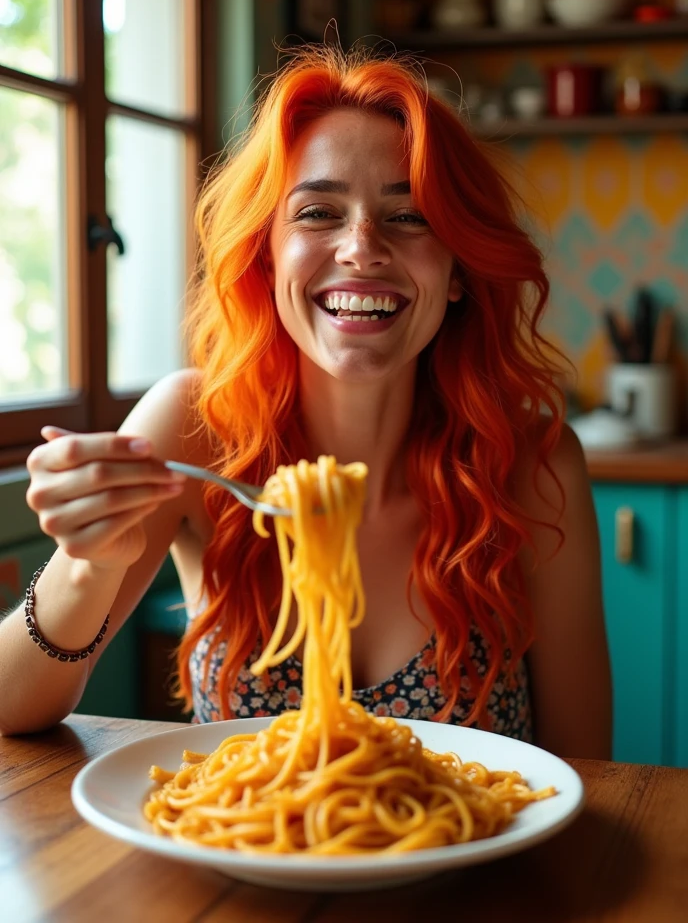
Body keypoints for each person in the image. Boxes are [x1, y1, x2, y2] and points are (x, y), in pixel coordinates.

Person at [1, 44, 612, 757]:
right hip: (239, 859)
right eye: (318, 212)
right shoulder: (195, 431)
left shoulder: (533, 465)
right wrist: (88, 564)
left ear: (458, 271)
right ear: (267, 256)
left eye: (409, 217)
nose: (361, 248)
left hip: (475, 868)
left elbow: (587, 770)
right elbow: (11, 708)